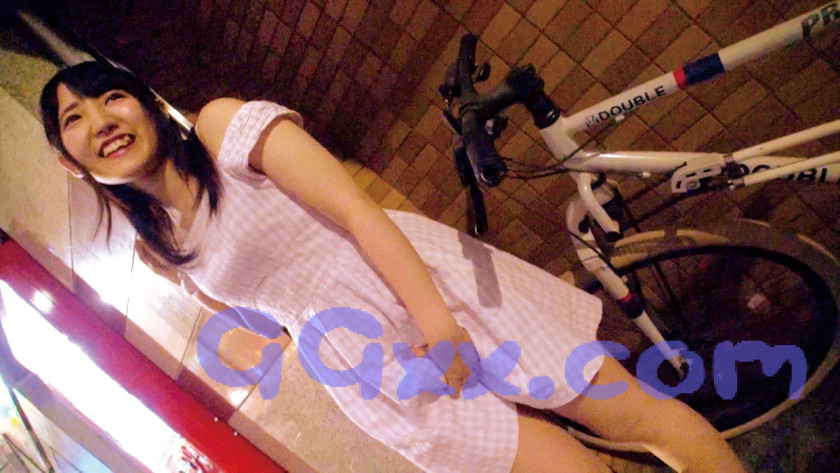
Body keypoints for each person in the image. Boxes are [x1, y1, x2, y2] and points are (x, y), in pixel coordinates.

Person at [40, 61, 746, 473]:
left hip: (420, 283)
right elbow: (267, 317)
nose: (101, 120)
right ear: (70, 162)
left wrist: (437, 322)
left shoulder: (222, 127)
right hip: (367, 365)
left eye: (110, 96)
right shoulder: (158, 250)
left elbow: (354, 207)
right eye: (74, 119)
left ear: (143, 102)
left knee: (629, 413)